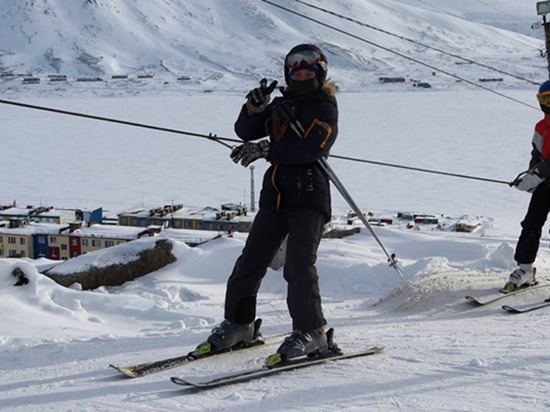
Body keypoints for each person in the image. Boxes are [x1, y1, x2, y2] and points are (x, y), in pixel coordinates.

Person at [196, 44, 338, 361]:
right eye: (295, 71)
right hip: (275, 196)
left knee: (299, 266)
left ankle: (312, 331)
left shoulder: (325, 107)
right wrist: (253, 108)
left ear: (320, 74)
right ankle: (239, 324)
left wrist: (266, 150)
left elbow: (309, 150)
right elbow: (244, 131)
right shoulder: (281, 104)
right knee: (251, 262)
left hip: (310, 196)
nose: (301, 74)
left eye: (307, 71)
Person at [504, 80, 550, 291]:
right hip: (546, 182)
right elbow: (537, 154)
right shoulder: (541, 126)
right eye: (544, 99)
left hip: (545, 177)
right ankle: (525, 269)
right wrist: (531, 175)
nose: (548, 104)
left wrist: (539, 174)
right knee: (531, 224)